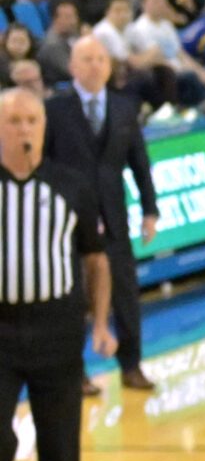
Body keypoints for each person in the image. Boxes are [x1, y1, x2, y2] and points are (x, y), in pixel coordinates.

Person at [0, 87, 113, 461]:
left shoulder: (71, 185)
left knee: (60, 446)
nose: (24, 129)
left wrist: (102, 324)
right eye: (13, 121)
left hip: (57, 331)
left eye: (31, 120)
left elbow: (95, 259)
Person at [42, 35, 156, 394]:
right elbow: (44, 165)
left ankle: (132, 365)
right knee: (72, 298)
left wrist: (150, 208)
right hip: (69, 220)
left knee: (126, 292)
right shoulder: (55, 109)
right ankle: (75, 373)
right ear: (72, 66)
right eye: (87, 59)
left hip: (115, 214)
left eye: (101, 59)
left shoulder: (125, 108)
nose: (96, 65)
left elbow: (139, 163)